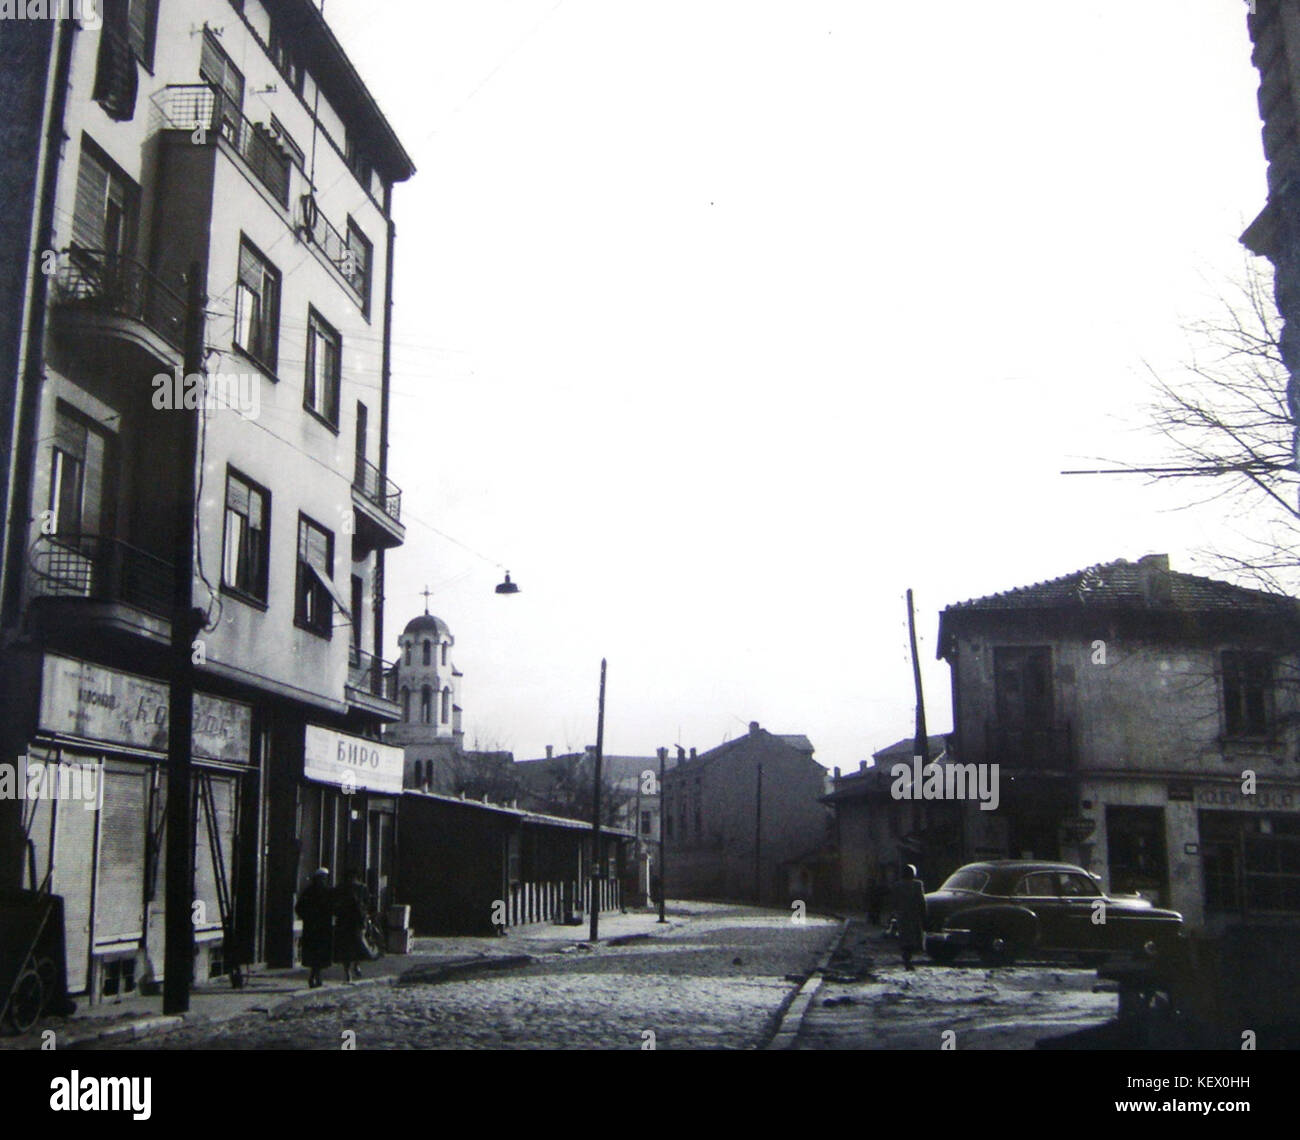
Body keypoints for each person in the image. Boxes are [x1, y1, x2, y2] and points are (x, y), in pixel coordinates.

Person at [295, 868, 334, 988]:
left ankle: (315, 977)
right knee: (316, 954)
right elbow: (299, 907)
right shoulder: (311, 892)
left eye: (324, 878)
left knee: (318, 955)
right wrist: (308, 917)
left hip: (320, 927)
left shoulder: (326, 892)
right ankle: (315, 977)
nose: (323, 881)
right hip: (315, 928)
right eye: (321, 878)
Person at [334, 873, 371, 983]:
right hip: (357, 922)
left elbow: (334, 904)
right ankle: (357, 965)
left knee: (346, 949)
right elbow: (367, 904)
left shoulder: (340, 888)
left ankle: (347, 973)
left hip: (344, 922)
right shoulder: (362, 888)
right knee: (358, 945)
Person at [891, 863, 927, 971]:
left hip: (902, 915)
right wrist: (924, 913)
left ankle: (907, 959)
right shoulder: (917, 885)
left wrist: (894, 913)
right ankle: (908, 960)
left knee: (905, 938)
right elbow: (922, 900)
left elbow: (894, 901)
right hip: (914, 915)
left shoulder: (897, 885)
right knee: (913, 938)